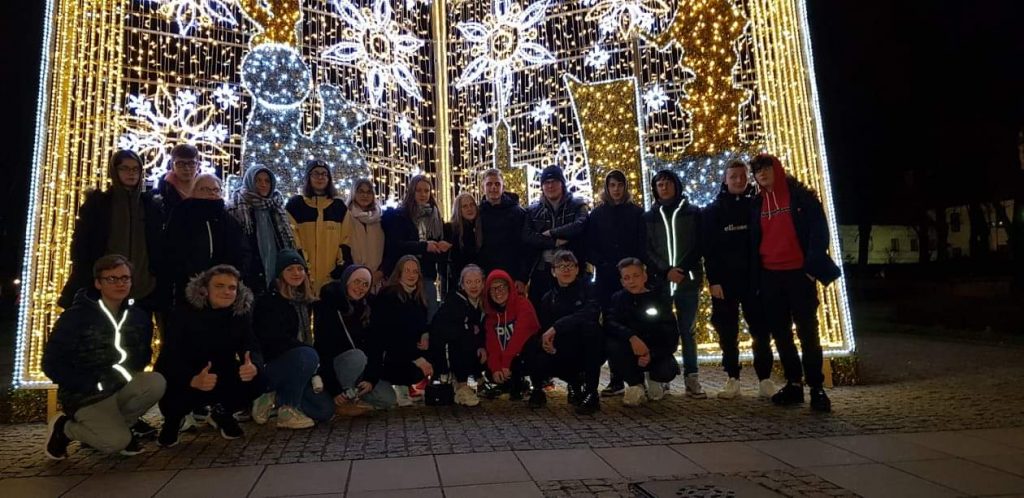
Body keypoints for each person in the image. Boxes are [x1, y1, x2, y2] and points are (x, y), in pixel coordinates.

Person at [44, 255, 166, 459]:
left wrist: (124, 373)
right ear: (98, 283)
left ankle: (124, 429)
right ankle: (64, 428)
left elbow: (143, 354)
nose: (120, 283)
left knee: (155, 382)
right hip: (86, 394)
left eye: (125, 278)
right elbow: (51, 363)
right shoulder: (77, 316)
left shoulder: (138, 315)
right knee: (114, 443)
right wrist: (88, 383)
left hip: (119, 385)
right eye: (112, 279)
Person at [749, 154, 842, 412]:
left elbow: (819, 232)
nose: (762, 174)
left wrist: (811, 269)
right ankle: (794, 383)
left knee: (808, 332)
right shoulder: (756, 204)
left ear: (777, 169)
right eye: (757, 171)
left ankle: (816, 387)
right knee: (780, 333)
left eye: (766, 168)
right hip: (770, 275)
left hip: (799, 274)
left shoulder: (801, 197)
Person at [154, 264, 264, 446]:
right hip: (187, 375)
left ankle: (222, 412)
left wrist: (253, 366)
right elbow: (168, 359)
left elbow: (251, 345)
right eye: (219, 286)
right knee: (170, 387)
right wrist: (191, 379)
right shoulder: (183, 313)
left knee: (259, 378)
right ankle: (173, 420)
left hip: (221, 374)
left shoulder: (239, 315)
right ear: (205, 289)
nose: (227, 292)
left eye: (232, 288)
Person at [703, 160, 776, 399]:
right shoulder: (712, 211)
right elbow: (709, 250)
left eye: (742, 176)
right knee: (727, 331)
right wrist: (713, 281)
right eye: (733, 176)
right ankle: (732, 377)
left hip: (754, 280)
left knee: (761, 330)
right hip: (724, 283)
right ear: (725, 180)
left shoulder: (757, 206)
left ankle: (764, 378)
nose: (738, 180)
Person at [59, 150, 163, 312]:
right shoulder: (99, 204)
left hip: (143, 289)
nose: (131, 173)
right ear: (115, 171)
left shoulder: (150, 205)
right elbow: (81, 244)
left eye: (135, 169)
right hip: (104, 288)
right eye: (125, 168)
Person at [251, 250, 334, 428]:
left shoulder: (304, 302)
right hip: (273, 365)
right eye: (290, 269)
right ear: (280, 273)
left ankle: (277, 398)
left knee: (324, 410)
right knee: (307, 355)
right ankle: (287, 408)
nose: (296, 273)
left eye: (300, 268)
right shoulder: (269, 302)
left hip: (301, 367)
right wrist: (307, 351)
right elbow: (272, 340)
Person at [644, 169, 706, 398]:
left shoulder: (693, 212)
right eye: (660, 184)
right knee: (660, 330)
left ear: (676, 185)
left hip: (687, 282)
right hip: (660, 284)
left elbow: (699, 244)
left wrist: (682, 269)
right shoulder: (649, 217)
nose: (664, 187)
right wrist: (665, 271)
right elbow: (646, 249)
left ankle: (692, 377)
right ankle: (663, 376)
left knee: (688, 331)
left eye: (668, 183)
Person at [585, 169, 645, 397]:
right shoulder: (597, 214)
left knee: (634, 324)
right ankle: (616, 378)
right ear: (607, 188)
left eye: (620, 185)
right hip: (607, 279)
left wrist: (633, 268)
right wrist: (603, 263)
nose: (616, 189)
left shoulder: (636, 213)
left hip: (631, 280)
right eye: (612, 185)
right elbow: (590, 246)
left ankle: (638, 378)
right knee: (611, 325)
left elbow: (642, 244)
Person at [314, 265, 398, 412]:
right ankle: (344, 399)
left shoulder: (369, 308)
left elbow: (376, 348)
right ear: (347, 281)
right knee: (356, 357)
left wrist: (370, 379)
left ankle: (357, 397)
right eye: (357, 282)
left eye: (365, 284)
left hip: (361, 369)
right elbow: (323, 351)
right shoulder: (329, 307)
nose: (360, 288)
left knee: (388, 398)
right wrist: (334, 389)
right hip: (337, 368)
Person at [163, 173, 248, 307]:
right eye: (205, 189)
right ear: (194, 191)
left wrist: (234, 276)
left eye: (215, 189)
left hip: (224, 289)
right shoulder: (181, 215)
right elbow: (172, 251)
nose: (211, 193)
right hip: (189, 289)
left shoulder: (229, 220)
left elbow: (241, 251)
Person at [604, 258, 680, 407]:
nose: (632, 281)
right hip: (630, 351)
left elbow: (670, 336)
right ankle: (635, 384)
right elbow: (610, 323)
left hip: (655, 352)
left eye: (636, 276)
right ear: (622, 282)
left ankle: (655, 380)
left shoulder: (659, 299)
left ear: (644, 276)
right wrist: (631, 337)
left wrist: (651, 353)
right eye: (627, 278)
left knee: (665, 370)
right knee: (611, 345)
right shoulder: (618, 299)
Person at [537, 251, 603, 415]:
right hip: (561, 348)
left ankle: (591, 392)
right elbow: (544, 328)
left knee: (592, 332)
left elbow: (590, 313)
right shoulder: (548, 298)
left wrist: (557, 327)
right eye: (561, 266)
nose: (566, 270)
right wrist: (548, 344)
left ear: (577, 269)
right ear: (553, 271)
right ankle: (572, 384)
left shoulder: (588, 290)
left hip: (586, 345)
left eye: (569, 266)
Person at [382, 175, 450, 319]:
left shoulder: (435, 217)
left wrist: (439, 248)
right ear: (412, 191)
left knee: (431, 315)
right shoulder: (400, 216)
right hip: (404, 275)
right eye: (419, 190)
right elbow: (396, 245)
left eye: (426, 191)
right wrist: (424, 246)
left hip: (427, 275)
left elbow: (436, 251)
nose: (423, 194)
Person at [523, 166, 590, 309]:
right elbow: (528, 236)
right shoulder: (532, 211)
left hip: (571, 270)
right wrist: (554, 242)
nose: (550, 186)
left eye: (554, 181)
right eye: (546, 182)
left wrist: (552, 232)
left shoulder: (577, 205)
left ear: (562, 184)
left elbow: (580, 225)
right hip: (542, 272)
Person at [372, 255, 433, 406]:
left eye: (415, 271)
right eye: (407, 271)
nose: (411, 275)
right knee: (416, 367)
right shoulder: (388, 295)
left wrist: (425, 334)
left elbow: (422, 323)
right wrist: (418, 359)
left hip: (411, 348)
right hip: (391, 352)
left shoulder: (418, 296)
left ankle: (412, 385)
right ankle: (401, 386)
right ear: (399, 272)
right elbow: (393, 334)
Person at [228, 166, 297, 296]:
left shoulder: (277, 207)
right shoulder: (235, 208)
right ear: (250, 181)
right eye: (258, 180)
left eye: (267, 181)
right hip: (249, 273)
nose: (263, 184)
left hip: (277, 272)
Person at [482, 269, 546, 408]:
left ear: (509, 287)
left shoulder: (523, 305)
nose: (498, 292)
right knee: (490, 369)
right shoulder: (490, 316)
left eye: (502, 287)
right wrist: (496, 368)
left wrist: (505, 363)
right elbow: (492, 345)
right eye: (493, 289)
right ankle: (514, 384)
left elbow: (519, 336)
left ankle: (538, 389)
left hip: (524, 355)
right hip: (509, 359)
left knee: (533, 348)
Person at [286, 159, 347, 297]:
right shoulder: (295, 205)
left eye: (324, 174)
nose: (320, 177)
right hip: (302, 275)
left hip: (330, 278)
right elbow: (293, 239)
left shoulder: (339, 207)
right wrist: (302, 264)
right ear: (308, 177)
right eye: (316, 173)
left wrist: (341, 265)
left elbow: (346, 240)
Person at [429, 265, 487, 407]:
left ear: (483, 283)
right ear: (462, 285)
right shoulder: (454, 302)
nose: (474, 286)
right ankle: (461, 386)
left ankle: (475, 380)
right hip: (446, 350)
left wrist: (481, 345)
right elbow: (444, 331)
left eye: (477, 281)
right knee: (464, 339)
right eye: (469, 282)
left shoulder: (482, 303)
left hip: (466, 348)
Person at [477, 169, 528, 293]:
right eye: (489, 184)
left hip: (512, 275)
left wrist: (522, 277)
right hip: (485, 275)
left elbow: (525, 246)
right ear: (483, 188)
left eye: (497, 184)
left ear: (503, 187)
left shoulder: (518, 213)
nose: (493, 187)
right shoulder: (477, 213)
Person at [340, 178, 385, 292]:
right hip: (352, 275)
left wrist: (381, 272)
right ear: (353, 193)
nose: (365, 195)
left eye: (369, 192)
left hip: (376, 278)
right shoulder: (345, 216)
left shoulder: (380, 218)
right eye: (360, 191)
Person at [148, 143, 200, 226]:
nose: (186, 168)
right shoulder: (160, 194)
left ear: (198, 165)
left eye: (191, 163)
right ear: (172, 166)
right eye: (180, 164)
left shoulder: (207, 190)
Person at [444, 192, 482, 295]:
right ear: (458, 210)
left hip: (477, 283)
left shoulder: (480, 229)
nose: (469, 209)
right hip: (457, 283)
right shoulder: (450, 229)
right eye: (465, 206)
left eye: (472, 205)